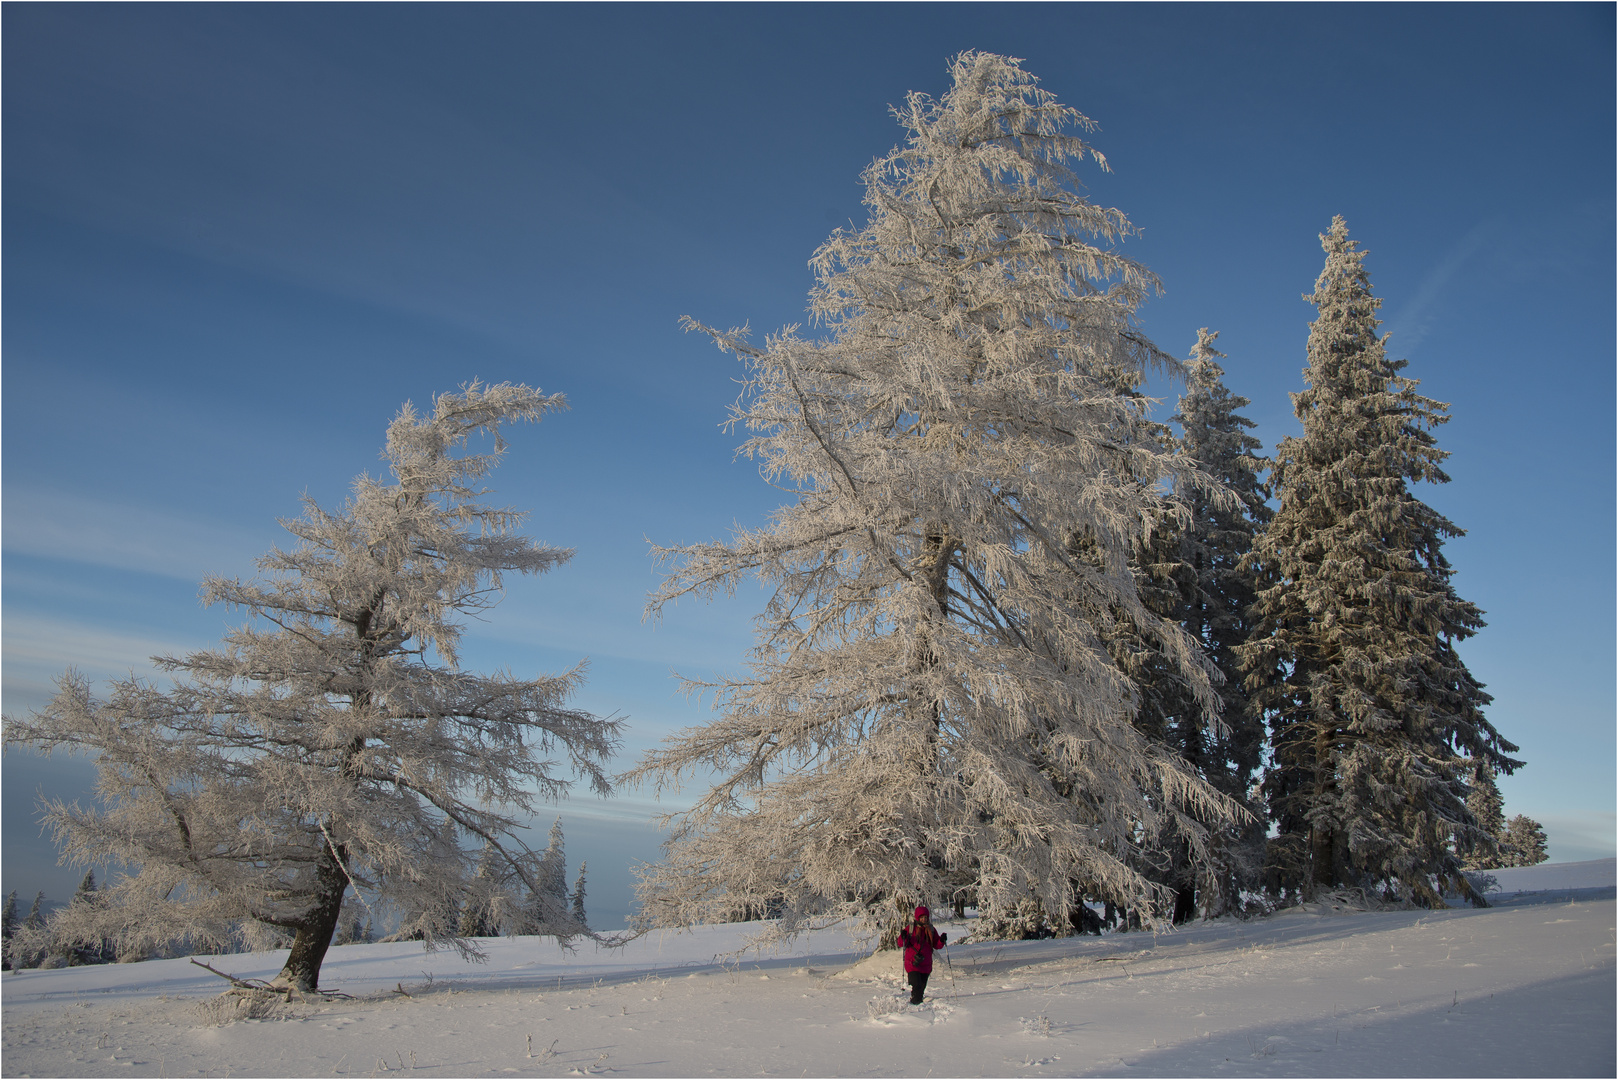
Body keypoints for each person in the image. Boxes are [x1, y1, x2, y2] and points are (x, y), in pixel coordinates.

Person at [897, 905, 946, 1004]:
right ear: (917, 918)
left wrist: (941, 940)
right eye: (922, 917)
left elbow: (936, 945)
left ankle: (917, 1006)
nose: (924, 919)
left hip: (926, 964)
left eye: (925, 917)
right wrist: (903, 937)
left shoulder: (931, 929)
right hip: (912, 963)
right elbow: (901, 943)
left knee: (921, 988)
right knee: (917, 986)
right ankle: (915, 1006)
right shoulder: (911, 929)